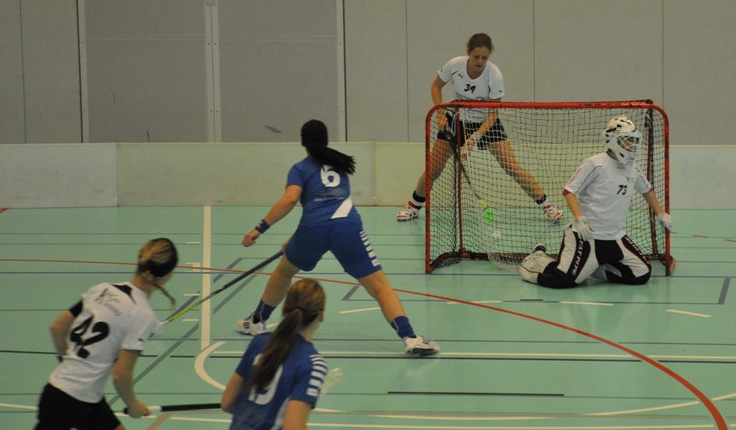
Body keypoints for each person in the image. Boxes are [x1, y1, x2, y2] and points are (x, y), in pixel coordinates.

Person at [0, 238, 178, 430]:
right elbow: (121, 376)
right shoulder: (142, 314)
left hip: (82, 398)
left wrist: (72, 368)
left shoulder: (103, 289)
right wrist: (132, 404)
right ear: (168, 275)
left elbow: (58, 328)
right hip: (69, 406)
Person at [237, 119, 439, 356]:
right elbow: (331, 208)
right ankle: (410, 337)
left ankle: (257, 321)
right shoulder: (340, 164)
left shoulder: (299, 169)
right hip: (347, 228)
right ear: (326, 140)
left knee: (283, 272)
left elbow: (292, 200)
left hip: (313, 230)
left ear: (303, 142)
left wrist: (260, 229)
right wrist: (295, 238)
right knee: (380, 286)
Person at [195, 279, 345, 430]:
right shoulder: (312, 363)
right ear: (321, 315)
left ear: (284, 310)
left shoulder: (259, 343)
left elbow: (228, 402)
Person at [397, 33, 563, 222]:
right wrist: (441, 113)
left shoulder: (494, 75)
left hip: (486, 123)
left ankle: (547, 206)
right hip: (456, 119)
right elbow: (436, 87)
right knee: (434, 169)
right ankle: (413, 206)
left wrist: (475, 137)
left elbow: (493, 114)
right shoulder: (455, 65)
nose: (480, 61)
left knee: (512, 166)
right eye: (476, 56)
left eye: (484, 57)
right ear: (468, 52)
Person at [519, 116, 674, 289]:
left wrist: (660, 213)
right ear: (613, 139)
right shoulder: (595, 163)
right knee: (562, 280)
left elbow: (646, 189)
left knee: (641, 274)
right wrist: (580, 219)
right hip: (587, 236)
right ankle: (535, 260)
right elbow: (569, 191)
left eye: (634, 140)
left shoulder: (633, 167)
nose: (632, 145)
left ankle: (590, 268)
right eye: (628, 140)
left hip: (616, 236)